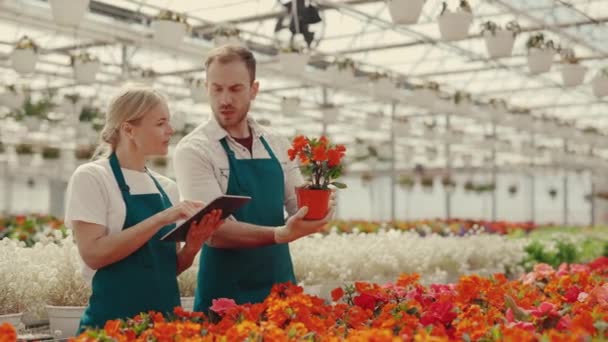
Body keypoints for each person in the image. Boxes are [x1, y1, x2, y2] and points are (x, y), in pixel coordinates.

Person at [173, 45, 334, 313]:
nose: (225, 99)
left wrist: (319, 204)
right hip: (224, 297)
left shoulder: (276, 143)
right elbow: (215, 231)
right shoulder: (195, 149)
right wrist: (281, 233)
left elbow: (297, 204)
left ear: (254, 89)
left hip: (280, 287)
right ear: (207, 88)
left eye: (235, 89)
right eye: (217, 89)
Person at [64, 85, 224, 332]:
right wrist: (162, 218)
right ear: (128, 129)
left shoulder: (166, 187)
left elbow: (168, 269)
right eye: (161, 123)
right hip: (111, 329)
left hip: (163, 327)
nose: (170, 130)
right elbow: (93, 254)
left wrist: (193, 246)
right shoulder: (93, 177)